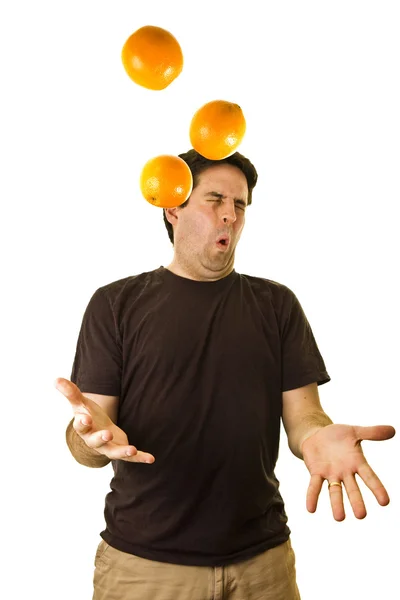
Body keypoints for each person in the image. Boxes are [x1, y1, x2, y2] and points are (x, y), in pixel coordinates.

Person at [55, 149, 395, 600]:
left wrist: (318, 437)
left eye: (240, 205)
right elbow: (90, 436)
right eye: (214, 200)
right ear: (173, 207)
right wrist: (90, 438)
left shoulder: (277, 305)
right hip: (145, 570)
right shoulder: (115, 304)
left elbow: (305, 417)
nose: (230, 216)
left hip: (263, 568)